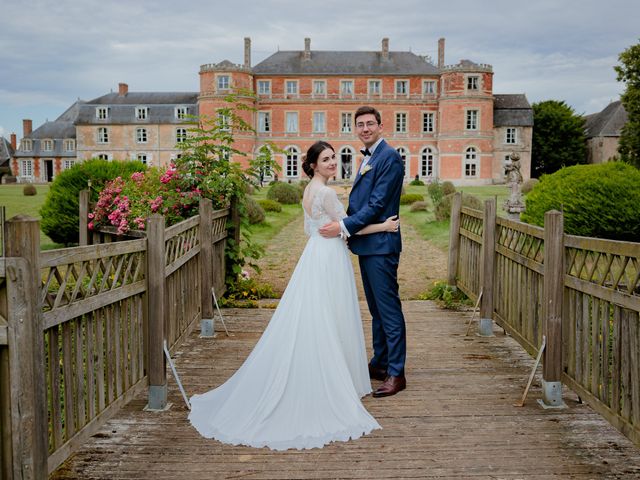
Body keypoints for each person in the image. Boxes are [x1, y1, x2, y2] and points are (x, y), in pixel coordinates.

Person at [188, 141, 399, 451]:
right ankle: (333, 377)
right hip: (329, 258)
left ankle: (334, 368)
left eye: (333, 159)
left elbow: (310, 229)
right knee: (332, 313)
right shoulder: (326, 193)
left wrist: (331, 231)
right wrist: (384, 225)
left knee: (316, 313)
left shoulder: (307, 191)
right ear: (313, 164)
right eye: (326, 159)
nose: (332, 163)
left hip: (315, 253)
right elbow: (347, 228)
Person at [319, 106, 407, 398]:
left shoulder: (389, 157)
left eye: (370, 123)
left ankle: (397, 373)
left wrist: (344, 226)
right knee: (376, 310)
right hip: (369, 246)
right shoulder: (369, 156)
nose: (365, 128)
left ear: (381, 126)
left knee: (389, 310)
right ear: (355, 128)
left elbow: (377, 206)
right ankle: (380, 363)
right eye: (360, 124)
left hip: (382, 248)